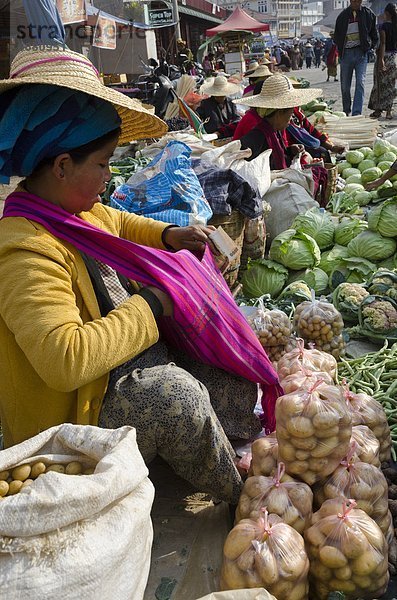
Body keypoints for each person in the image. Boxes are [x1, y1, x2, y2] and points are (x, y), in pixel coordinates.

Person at [0, 48, 279, 506]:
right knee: (174, 397)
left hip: (123, 371)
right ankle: (246, 498)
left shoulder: (76, 212)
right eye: (104, 163)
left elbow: (121, 221)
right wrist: (150, 304)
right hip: (74, 424)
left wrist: (170, 235)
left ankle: (218, 447)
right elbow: (65, 360)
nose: (110, 178)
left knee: (225, 371)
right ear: (63, 165)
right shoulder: (22, 249)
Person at [232, 75, 322, 167]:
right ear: (280, 113)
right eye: (290, 114)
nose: (291, 119)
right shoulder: (256, 139)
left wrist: (290, 151)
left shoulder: (273, 131)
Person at [333, 0, 379, 115]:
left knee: (360, 83)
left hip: (361, 54)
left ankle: (356, 113)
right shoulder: (342, 16)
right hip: (346, 54)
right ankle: (346, 110)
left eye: (358, 0)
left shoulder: (368, 14)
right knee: (345, 86)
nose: (356, 3)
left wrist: (370, 47)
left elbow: (374, 34)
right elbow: (337, 36)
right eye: (354, 0)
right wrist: (340, 49)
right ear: (350, 1)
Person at [368, 2, 397, 119]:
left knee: (379, 85)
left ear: (387, 14)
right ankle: (389, 112)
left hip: (384, 57)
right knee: (390, 85)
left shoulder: (383, 26)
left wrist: (381, 60)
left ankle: (378, 110)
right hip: (393, 58)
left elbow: (383, 43)